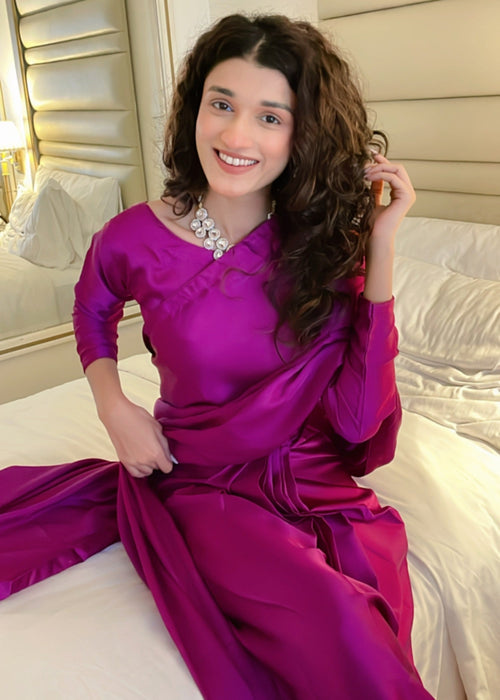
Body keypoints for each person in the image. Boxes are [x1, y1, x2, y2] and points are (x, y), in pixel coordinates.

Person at [0, 13, 434, 700]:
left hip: (314, 479)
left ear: (302, 133)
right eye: (222, 105)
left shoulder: (323, 248)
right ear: (194, 108)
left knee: (353, 621)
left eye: (270, 117)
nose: (235, 137)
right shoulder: (133, 238)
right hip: (205, 479)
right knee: (337, 621)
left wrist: (380, 247)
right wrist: (114, 406)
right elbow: (91, 310)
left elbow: (358, 423)